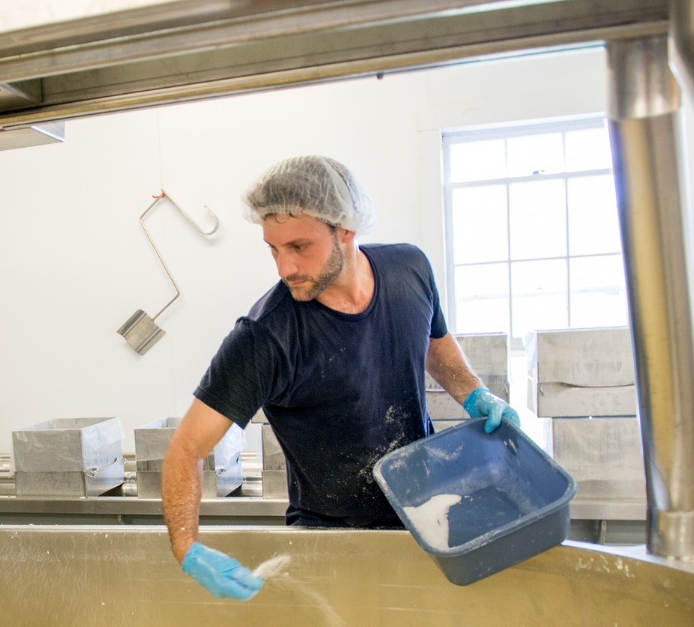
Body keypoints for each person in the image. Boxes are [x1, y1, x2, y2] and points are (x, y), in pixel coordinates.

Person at [162, 155, 518, 601]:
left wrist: (474, 393)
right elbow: (186, 448)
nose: (284, 268)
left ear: (345, 228)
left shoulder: (410, 270)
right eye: (273, 249)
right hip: (331, 543)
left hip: (428, 517)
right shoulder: (266, 336)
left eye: (298, 247)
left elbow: (435, 342)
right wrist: (187, 547)